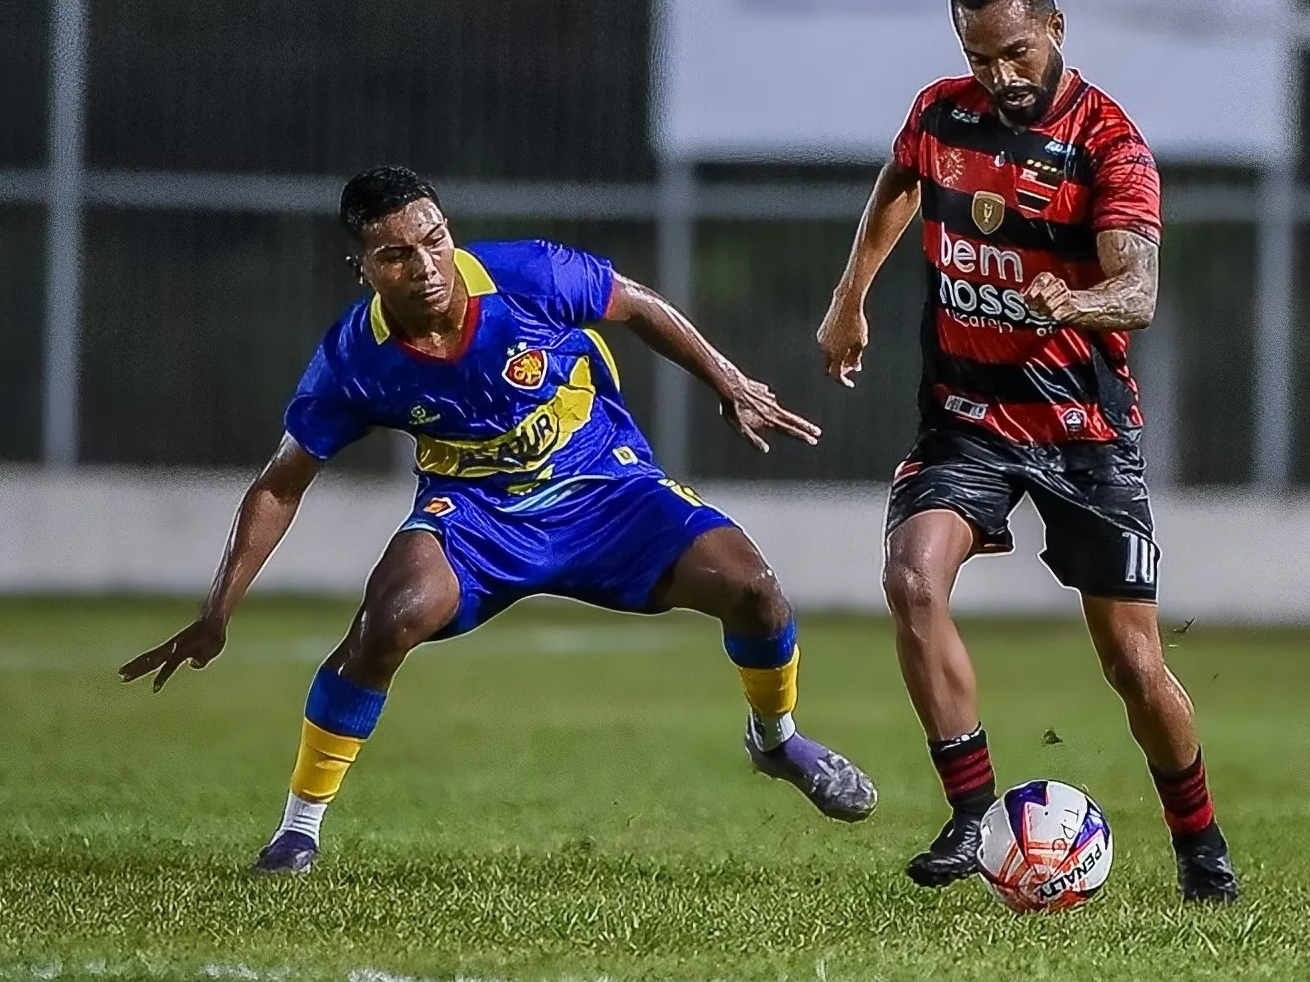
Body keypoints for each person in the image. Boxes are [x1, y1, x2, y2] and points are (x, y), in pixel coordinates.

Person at [121, 166, 877, 874]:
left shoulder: (527, 276)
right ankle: (298, 831)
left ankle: (776, 741)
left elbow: (637, 304)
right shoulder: (356, 359)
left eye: (433, 239)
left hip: (603, 487)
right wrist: (217, 610)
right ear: (363, 269)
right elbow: (280, 484)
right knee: (388, 620)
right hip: (477, 517)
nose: (424, 265)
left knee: (754, 587)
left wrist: (729, 379)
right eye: (394, 255)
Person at [816, 0, 1239, 902]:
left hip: (1083, 427)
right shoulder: (942, 113)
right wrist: (851, 298)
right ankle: (972, 815)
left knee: (1133, 664)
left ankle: (1200, 843)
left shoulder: (1109, 144)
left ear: (1055, 29)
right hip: (965, 418)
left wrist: (1073, 302)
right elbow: (899, 181)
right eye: (980, 56)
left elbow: (1139, 290)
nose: (1000, 76)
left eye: (1014, 53)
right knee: (909, 578)